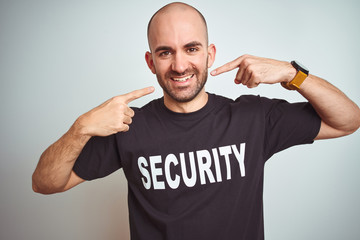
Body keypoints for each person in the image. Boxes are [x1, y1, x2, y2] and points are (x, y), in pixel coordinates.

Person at [32, 2, 360, 240]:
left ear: (210, 54)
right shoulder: (127, 125)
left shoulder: (252, 116)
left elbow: (348, 120)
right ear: (151, 62)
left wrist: (292, 74)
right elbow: (45, 183)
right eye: (165, 52)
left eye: (191, 48)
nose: (179, 65)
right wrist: (80, 127)